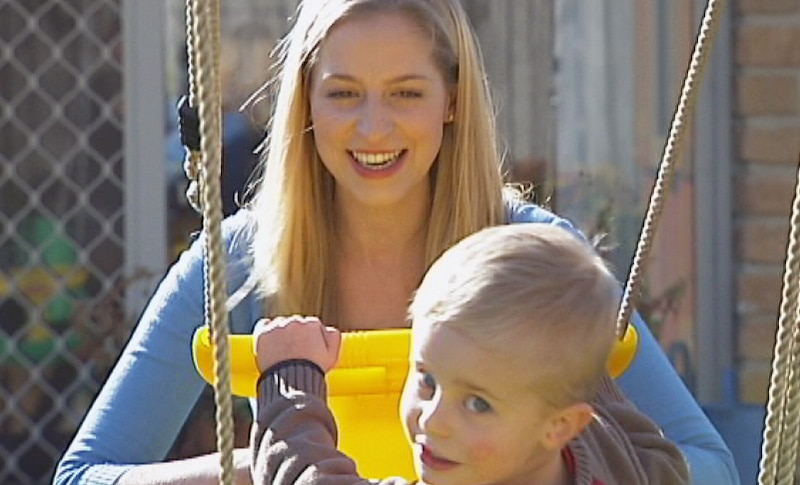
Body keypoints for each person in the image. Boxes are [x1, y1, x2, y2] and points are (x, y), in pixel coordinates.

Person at [54, 1, 739, 484]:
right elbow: (83, 475)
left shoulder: (532, 259)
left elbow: (710, 467)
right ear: (307, 103)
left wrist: (532, 458)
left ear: (450, 98)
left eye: (406, 93)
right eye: (344, 93)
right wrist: (252, 470)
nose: (374, 128)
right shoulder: (233, 265)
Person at [251, 223, 691, 485]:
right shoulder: (612, 456)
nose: (433, 418)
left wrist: (291, 376)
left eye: (478, 403)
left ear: (560, 424)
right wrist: (581, 368)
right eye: (427, 380)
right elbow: (662, 461)